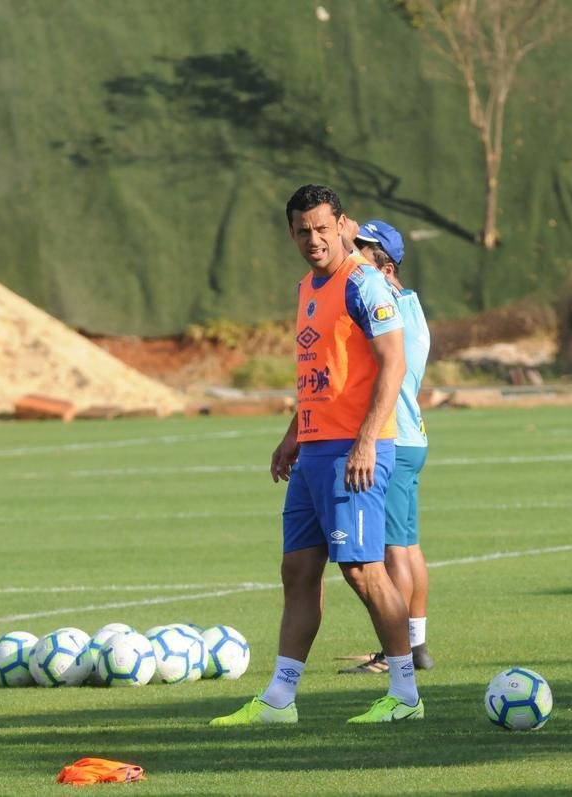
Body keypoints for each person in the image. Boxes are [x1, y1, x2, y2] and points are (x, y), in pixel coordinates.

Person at [210, 185, 422, 726]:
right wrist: (293, 435)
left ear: (342, 225)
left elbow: (392, 365)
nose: (314, 239)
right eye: (303, 231)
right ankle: (280, 701)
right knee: (298, 570)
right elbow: (319, 374)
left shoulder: (365, 282)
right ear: (291, 233)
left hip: (355, 451)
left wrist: (367, 440)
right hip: (315, 450)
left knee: (363, 570)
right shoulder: (308, 285)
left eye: (323, 228)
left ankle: (405, 695)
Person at [339, 219, 434, 674]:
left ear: (387, 263)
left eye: (363, 248)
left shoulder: (385, 298)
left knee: (393, 550)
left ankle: (397, 654)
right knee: (409, 546)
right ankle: (416, 643)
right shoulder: (411, 304)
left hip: (392, 437)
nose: (354, 251)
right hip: (414, 437)